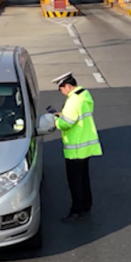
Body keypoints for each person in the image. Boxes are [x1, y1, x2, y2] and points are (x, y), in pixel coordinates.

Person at [53, 72, 102, 223]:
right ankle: (87, 204)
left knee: (75, 181)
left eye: (61, 89)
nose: (61, 92)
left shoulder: (73, 101)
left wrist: (56, 119)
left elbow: (66, 123)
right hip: (86, 145)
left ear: (67, 86)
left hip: (75, 148)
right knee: (84, 178)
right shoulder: (84, 96)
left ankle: (77, 210)